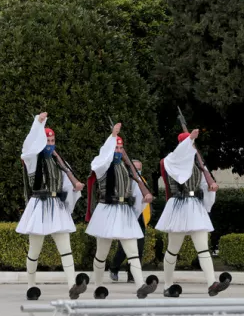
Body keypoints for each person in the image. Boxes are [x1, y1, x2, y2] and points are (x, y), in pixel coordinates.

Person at [17, 112, 89, 301]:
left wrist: (76, 188)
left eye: (52, 140)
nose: (50, 144)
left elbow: (66, 183)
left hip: (56, 206)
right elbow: (29, 145)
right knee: (35, 250)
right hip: (40, 205)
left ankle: (72, 286)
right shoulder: (32, 159)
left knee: (65, 248)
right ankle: (31, 285)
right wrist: (38, 123)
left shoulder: (58, 163)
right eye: (47, 141)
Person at [85, 122, 157, 299]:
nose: (118, 150)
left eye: (120, 147)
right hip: (107, 210)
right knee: (101, 253)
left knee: (132, 252)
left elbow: (135, 187)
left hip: (124, 211)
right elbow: (103, 156)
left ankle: (140, 285)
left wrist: (145, 197)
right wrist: (112, 136)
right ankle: (98, 285)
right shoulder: (101, 165)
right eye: (115, 147)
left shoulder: (126, 168)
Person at [156, 129, 231, 297]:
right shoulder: (171, 161)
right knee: (173, 249)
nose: (192, 148)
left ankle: (212, 283)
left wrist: (211, 189)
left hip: (195, 206)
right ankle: (167, 285)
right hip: (179, 206)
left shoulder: (198, 165)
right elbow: (177, 162)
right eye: (188, 145)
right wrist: (189, 139)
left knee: (203, 248)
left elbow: (204, 184)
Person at [109, 159, 150, 283]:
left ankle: (132, 274)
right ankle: (114, 267)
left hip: (139, 218)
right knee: (124, 248)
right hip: (126, 216)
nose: (137, 171)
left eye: (139, 169)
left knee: (139, 246)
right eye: (135, 168)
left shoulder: (142, 181)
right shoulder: (124, 181)